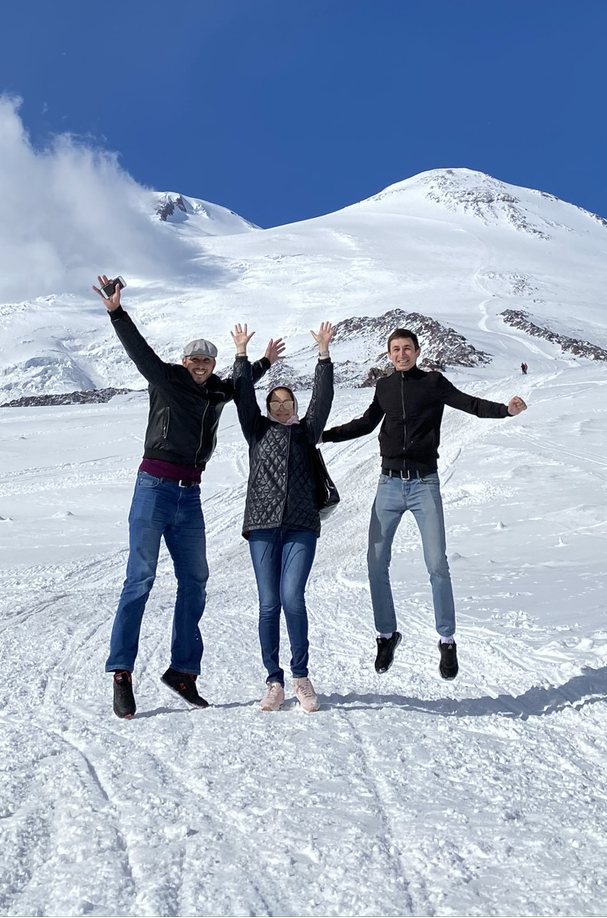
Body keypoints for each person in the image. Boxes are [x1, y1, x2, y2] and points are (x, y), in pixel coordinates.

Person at [94, 276, 283, 720]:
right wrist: (116, 312)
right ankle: (122, 672)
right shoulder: (164, 379)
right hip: (153, 490)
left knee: (195, 581)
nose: (200, 365)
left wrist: (262, 362)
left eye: (207, 360)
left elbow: (241, 384)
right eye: (195, 359)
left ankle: (182, 671)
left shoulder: (218, 389)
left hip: (190, 497)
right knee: (139, 580)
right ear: (184, 361)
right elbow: (137, 349)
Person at [321, 326, 527, 680]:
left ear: (417, 351)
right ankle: (386, 635)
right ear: (389, 354)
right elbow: (367, 424)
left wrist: (504, 411)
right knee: (375, 564)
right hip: (388, 485)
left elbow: (470, 404)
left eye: (407, 348)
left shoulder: (433, 383)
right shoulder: (384, 386)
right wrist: (323, 435)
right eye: (395, 349)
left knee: (437, 565)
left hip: (424, 485)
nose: (401, 354)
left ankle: (447, 641)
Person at [231, 321, 335, 713]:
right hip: (261, 526)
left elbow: (322, 401)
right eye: (273, 402)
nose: (279, 407)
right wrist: (243, 357)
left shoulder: (306, 431)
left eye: (286, 402)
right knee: (268, 603)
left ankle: (301, 677)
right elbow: (242, 396)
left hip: (300, 526)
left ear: (293, 405)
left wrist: (323, 356)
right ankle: (273, 679)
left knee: (293, 598)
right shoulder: (256, 430)